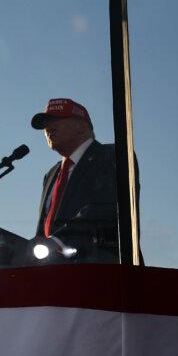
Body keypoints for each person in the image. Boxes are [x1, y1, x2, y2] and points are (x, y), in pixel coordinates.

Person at [31, 98, 121, 262]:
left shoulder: (113, 155)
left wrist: (58, 242)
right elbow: (43, 229)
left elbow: (106, 207)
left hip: (101, 271)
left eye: (56, 120)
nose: (48, 128)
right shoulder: (51, 174)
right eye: (45, 124)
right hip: (52, 274)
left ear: (81, 126)